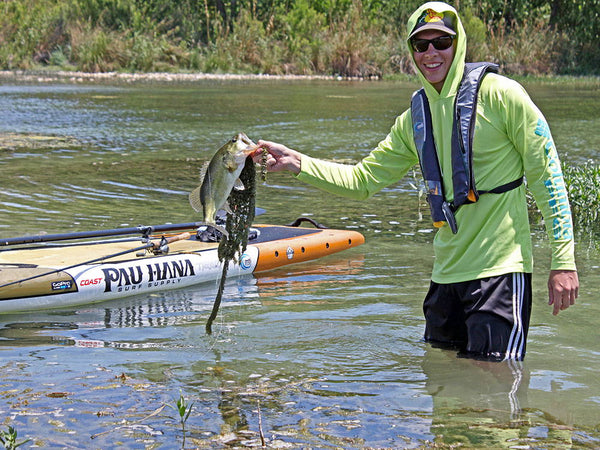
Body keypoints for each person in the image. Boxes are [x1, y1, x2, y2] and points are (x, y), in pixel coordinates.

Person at [252, 1, 579, 361]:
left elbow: (547, 175)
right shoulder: (414, 120)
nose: (431, 53)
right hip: (446, 279)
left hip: (499, 274)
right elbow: (363, 180)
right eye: (421, 45)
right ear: (412, 51)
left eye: (442, 41)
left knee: (494, 393)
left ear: (459, 45)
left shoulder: (503, 96)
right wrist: (297, 162)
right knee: (443, 391)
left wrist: (563, 260)